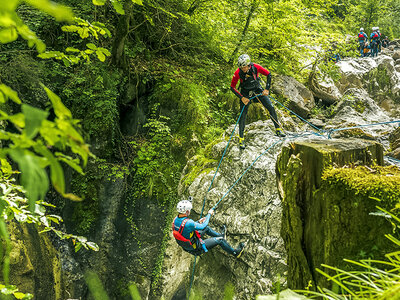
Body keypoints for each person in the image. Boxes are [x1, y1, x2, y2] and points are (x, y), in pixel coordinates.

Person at [230, 54, 285, 149]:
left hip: (258, 91)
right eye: (241, 67)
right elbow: (232, 87)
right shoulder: (238, 73)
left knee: (270, 107)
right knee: (243, 114)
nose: (243, 69)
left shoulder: (255, 67)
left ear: (248, 64)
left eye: (245, 67)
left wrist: (267, 89)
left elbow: (268, 74)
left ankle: (278, 129)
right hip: (246, 94)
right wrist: (241, 97)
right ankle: (241, 138)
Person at [172, 199, 246, 258]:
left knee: (206, 229)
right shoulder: (189, 223)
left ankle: (220, 235)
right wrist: (209, 214)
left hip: (190, 245)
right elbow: (203, 226)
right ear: (187, 211)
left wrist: (198, 221)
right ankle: (235, 253)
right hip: (197, 247)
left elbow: (185, 228)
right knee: (220, 241)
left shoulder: (176, 220)